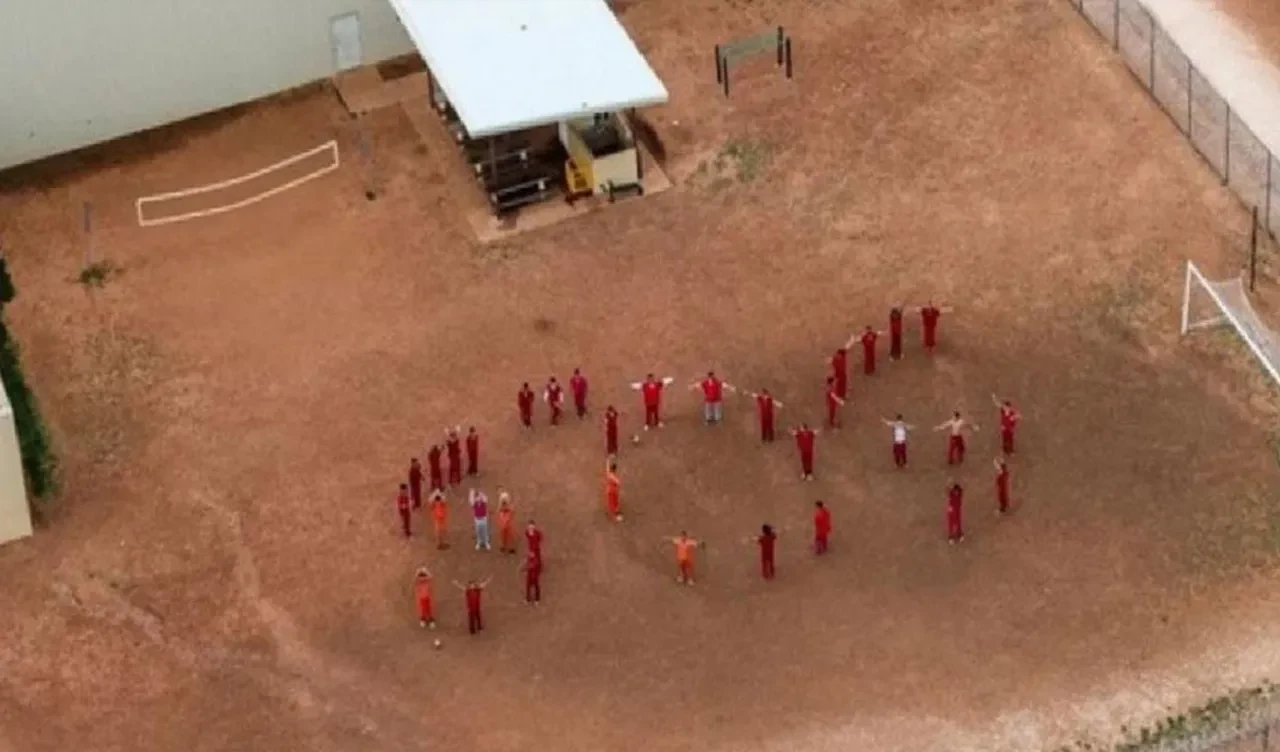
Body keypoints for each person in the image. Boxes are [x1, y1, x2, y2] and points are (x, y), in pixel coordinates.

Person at [826, 332, 859, 400]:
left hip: (840, 373)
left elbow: (847, 347)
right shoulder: (839, 357)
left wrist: (852, 340)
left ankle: (841, 394)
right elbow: (847, 347)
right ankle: (840, 395)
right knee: (840, 385)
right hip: (840, 373)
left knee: (841, 384)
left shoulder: (837, 357)